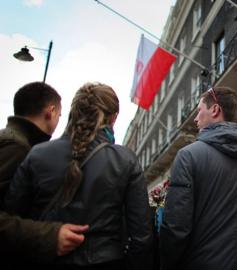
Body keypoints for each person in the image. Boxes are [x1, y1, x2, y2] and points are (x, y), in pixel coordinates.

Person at [5, 82, 153, 269]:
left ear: (73, 113)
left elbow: (11, 217)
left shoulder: (36, 154)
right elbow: (142, 235)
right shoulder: (126, 160)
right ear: (114, 118)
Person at [159, 86, 237, 270]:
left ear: (215, 110)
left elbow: (176, 228)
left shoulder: (188, 155)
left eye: (199, 110)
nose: (195, 117)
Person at [0, 82, 87, 264]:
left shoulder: (13, 139)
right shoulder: (16, 148)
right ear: (51, 111)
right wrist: (50, 235)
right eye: (59, 115)